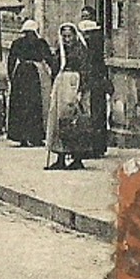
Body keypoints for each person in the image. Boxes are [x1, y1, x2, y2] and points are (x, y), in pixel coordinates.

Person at [46, 24, 91, 171]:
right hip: (61, 84)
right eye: (64, 36)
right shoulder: (61, 51)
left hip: (74, 83)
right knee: (58, 119)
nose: (66, 39)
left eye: (69, 36)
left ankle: (77, 157)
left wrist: (81, 90)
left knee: (73, 120)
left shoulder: (80, 50)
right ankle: (60, 156)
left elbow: (85, 70)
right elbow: (55, 66)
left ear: (75, 35)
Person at [5, 20, 54, 147]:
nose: (28, 36)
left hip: (26, 74)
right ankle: (27, 136)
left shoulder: (28, 43)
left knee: (31, 104)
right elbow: (49, 59)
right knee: (28, 104)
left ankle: (30, 136)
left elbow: (11, 62)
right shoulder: (38, 43)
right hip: (30, 74)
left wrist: (12, 76)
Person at [79, 14, 111, 157]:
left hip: (93, 85)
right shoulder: (95, 47)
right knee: (95, 115)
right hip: (95, 84)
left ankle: (93, 146)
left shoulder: (91, 49)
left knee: (93, 115)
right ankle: (96, 146)